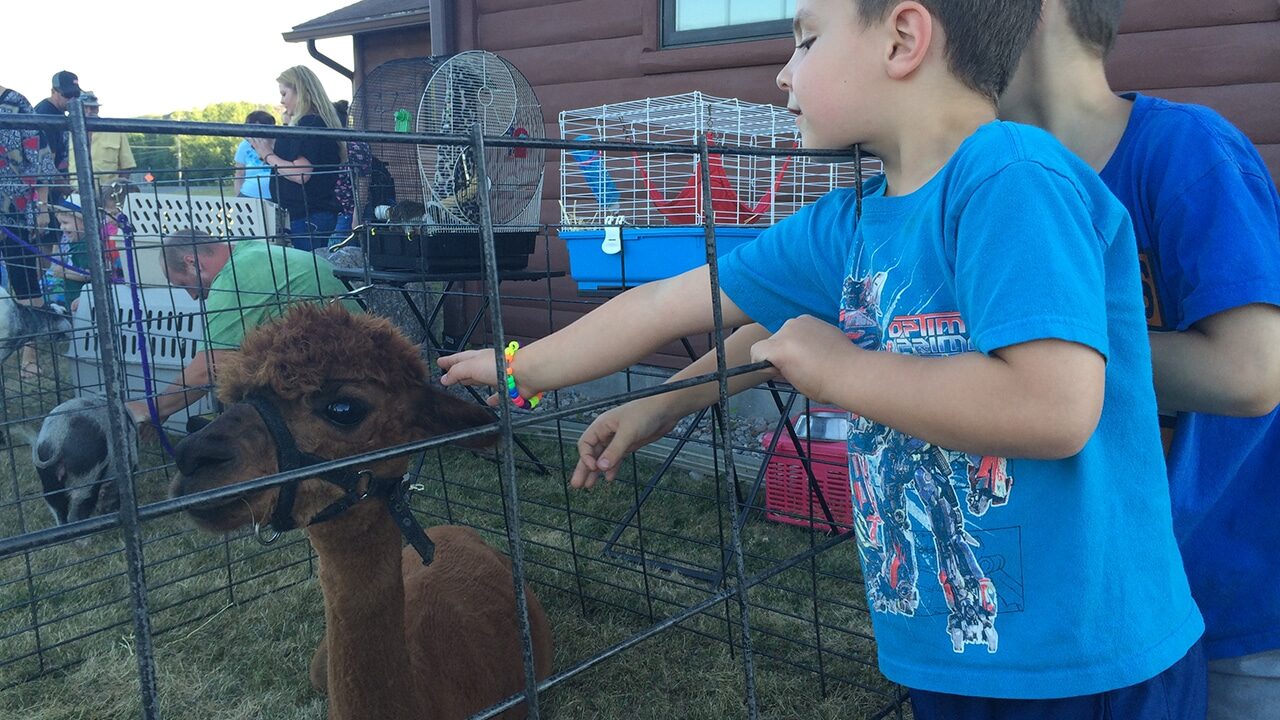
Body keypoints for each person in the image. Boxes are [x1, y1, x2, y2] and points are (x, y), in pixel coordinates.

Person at [439, 1, 1207, 717]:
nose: (784, 71)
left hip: (1093, 665)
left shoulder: (1011, 176)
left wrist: (840, 370)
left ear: (903, 40)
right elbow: (667, 302)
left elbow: (1054, 407)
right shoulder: (850, 221)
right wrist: (521, 369)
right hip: (948, 657)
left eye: (806, 39)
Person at [998, 2, 1280, 718]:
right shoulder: (999, 185)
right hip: (1094, 616)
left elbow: (1251, 373)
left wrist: (1049, 351)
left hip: (1227, 606)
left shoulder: (1187, 150)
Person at [124, 228, 358, 426]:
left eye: (185, 284)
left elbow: (210, 368)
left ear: (192, 262)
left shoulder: (233, 276)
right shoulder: (252, 254)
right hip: (353, 358)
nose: (193, 296)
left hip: (340, 378)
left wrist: (152, 409)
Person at [248, 66, 344, 252]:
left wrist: (267, 154)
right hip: (313, 214)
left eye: (284, 93)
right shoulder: (317, 122)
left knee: (308, 269)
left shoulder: (309, 124)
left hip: (308, 216)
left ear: (299, 91)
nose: (282, 101)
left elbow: (301, 173)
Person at [0, 83, 56, 380]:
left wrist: (42, 206)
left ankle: (29, 357)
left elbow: (40, 158)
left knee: (24, 280)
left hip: (17, 208)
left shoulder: (16, 102)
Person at [329, 99, 372, 245]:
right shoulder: (333, 143)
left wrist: (356, 217)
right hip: (335, 211)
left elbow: (363, 181)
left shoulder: (354, 144)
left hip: (348, 214)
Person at [67, 91, 136, 183]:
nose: (89, 111)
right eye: (85, 108)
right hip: (76, 192)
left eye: (93, 108)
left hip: (108, 192)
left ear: (98, 109)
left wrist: (116, 189)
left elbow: (127, 166)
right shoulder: (68, 132)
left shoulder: (115, 130)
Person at [233, 110, 276, 200]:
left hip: (276, 196)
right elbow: (239, 174)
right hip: (249, 195)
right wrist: (238, 200)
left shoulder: (280, 143)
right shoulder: (244, 145)